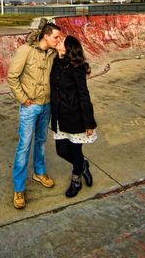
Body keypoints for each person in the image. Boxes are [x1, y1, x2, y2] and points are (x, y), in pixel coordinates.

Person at [7, 21, 62, 209]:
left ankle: (39, 172)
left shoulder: (53, 53)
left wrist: (62, 50)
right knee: (24, 146)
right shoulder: (26, 51)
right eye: (56, 37)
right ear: (45, 36)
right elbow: (12, 77)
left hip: (46, 105)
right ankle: (19, 188)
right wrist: (23, 99)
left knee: (40, 142)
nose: (58, 40)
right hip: (30, 107)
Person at [50, 35, 97, 198]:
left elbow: (84, 94)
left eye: (61, 41)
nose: (58, 41)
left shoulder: (76, 67)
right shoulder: (56, 62)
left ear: (68, 48)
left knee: (75, 151)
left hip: (76, 117)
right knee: (61, 151)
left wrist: (89, 123)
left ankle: (76, 180)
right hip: (59, 116)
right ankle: (83, 165)